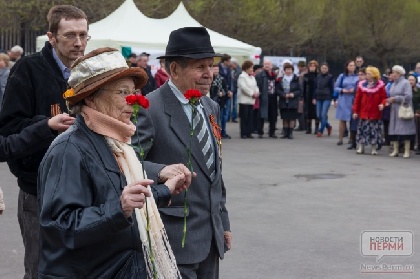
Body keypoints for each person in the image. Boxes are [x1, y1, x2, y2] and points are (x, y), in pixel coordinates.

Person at [38, 47, 188, 278]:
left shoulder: (115, 143)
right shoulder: (69, 149)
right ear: (91, 97)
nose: (133, 100)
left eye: (134, 91)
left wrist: (164, 191)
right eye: (122, 92)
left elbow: (128, 199)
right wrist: (120, 208)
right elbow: (59, 227)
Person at [0, 5, 88, 278]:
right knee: (42, 270)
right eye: (70, 35)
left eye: (84, 35)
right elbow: (8, 130)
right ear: (51, 37)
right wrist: (47, 126)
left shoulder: (89, 69)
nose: (78, 42)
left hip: (84, 191)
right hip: (39, 191)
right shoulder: (28, 69)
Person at [136, 27, 231, 279]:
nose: (209, 74)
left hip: (211, 239)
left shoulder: (210, 106)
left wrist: (223, 221)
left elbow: (214, 169)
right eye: (200, 67)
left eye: (211, 66)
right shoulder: (150, 108)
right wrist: (161, 172)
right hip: (174, 240)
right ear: (175, 69)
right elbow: (128, 164)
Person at [382, 65, 416, 158]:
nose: (392, 74)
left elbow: (408, 96)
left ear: (398, 73)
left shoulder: (405, 83)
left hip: (403, 109)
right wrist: (389, 100)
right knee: (394, 130)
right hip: (394, 109)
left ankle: (406, 151)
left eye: (394, 72)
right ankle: (395, 150)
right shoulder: (393, 83)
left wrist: (396, 98)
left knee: (405, 130)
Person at [352, 67, 387, 155]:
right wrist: (355, 111)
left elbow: (384, 97)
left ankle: (373, 148)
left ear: (374, 75)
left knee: (374, 131)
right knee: (362, 130)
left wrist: (382, 104)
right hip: (363, 112)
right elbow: (357, 99)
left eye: (369, 73)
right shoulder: (361, 85)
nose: (367, 75)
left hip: (375, 112)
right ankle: (361, 147)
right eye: (367, 73)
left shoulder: (380, 85)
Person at [334, 60, 358, 145]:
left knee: (353, 119)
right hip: (344, 99)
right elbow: (335, 87)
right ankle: (340, 139)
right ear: (347, 67)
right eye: (350, 65)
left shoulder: (357, 76)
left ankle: (351, 138)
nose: (352, 67)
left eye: (353, 65)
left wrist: (354, 90)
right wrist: (342, 90)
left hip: (353, 99)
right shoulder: (342, 76)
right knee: (342, 119)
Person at [277, 63, 302, 139]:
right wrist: (283, 95)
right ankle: (285, 133)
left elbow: (300, 90)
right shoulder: (280, 79)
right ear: (284, 71)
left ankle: (290, 133)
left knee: (292, 118)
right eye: (287, 69)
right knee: (285, 117)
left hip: (293, 101)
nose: (288, 71)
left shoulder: (296, 79)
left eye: (290, 69)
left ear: (292, 71)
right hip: (283, 101)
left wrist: (293, 94)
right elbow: (277, 90)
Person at [255, 59, 278, 138]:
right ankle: (260, 132)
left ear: (271, 65)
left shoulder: (274, 75)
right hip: (264, 97)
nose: (267, 65)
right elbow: (257, 86)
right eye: (265, 64)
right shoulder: (260, 75)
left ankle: (272, 132)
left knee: (273, 115)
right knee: (262, 115)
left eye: (268, 64)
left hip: (273, 97)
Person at [238, 60, 259, 139]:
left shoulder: (252, 77)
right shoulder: (242, 76)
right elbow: (243, 87)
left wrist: (256, 92)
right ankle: (243, 133)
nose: (252, 69)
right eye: (251, 68)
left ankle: (249, 132)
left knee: (250, 117)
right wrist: (252, 93)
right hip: (244, 100)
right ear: (246, 68)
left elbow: (256, 86)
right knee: (244, 117)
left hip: (251, 100)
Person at [210, 63, 231, 139]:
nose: (216, 71)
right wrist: (216, 93)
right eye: (214, 69)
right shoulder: (210, 79)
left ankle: (222, 132)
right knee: (214, 118)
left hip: (222, 101)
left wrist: (225, 92)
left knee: (222, 118)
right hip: (212, 101)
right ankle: (215, 133)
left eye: (217, 69)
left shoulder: (222, 79)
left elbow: (226, 88)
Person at [347, 67, 366, 150]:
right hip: (356, 105)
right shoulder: (357, 83)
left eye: (362, 74)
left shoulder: (367, 84)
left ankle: (363, 143)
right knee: (353, 124)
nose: (360, 76)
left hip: (364, 106)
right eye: (359, 74)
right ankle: (353, 142)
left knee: (363, 125)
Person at [313, 62, 334, 137]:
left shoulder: (330, 77)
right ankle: (328, 126)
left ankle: (320, 130)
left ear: (327, 69)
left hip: (327, 97)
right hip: (318, 97)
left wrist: (333, 98)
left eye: (325, 68)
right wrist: (314, 97)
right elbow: (315, 87)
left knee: (323, 114)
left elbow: (332, 88)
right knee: (318, 115)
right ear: (320, 69)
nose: (324, 70)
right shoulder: (318, 77)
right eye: (323, 68)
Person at [303, 60, 319, 134]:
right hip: (307, 95)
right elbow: (303, 86)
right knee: (308, 112)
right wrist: (302, 96)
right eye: (311, 66)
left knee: (316, 112)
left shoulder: (318, 75)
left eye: (314, 66)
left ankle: (316, 128)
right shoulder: (305, 76)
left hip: (316, 95)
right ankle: (308, 128)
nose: (312, 67)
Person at [218, 54, 233, 132]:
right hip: (220, 94)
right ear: (225, 61)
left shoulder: (228, 69)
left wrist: (230, 90)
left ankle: (224, 131)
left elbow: (230, 82)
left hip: (227, 93)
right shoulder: (218, 68)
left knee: (225, 114)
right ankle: (219, 132)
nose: (230, 62)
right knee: (220, 114)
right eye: (229, 61)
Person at [408, 75, 420, 154]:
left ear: (415, 81)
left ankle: (418, 146)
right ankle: (409, 146)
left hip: (416, 111)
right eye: (409, 80)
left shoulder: (418, 90)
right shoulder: (405, 90)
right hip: (407, 111)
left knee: (418, 130)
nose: (411, 82)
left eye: (412, 80)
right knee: (408, 129)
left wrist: (418, 111)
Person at [295, 60, 307, 131]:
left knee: (300, 111)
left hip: (301, 95)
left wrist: (300, 94)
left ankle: (302, 126)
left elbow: (301, 86)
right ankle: (304, 125)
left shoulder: (302, 75)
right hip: (304, 95)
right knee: (302, 111)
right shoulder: (304, 73)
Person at [230, 58, 241, 123]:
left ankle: (234, 117)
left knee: (235, 104)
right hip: (232, 89)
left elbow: (236, 80)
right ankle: (230, 117)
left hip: (236, 89)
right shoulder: (232, 70)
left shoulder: (239, 71)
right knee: (231, 104)